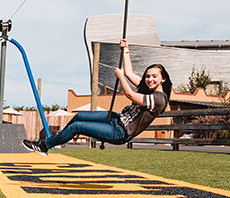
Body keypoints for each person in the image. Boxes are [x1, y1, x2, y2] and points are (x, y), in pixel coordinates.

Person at [23, 39, 171, 155]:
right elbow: (129, 73)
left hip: (121, 132)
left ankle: (44, 145)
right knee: (79, 117)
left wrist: (120, 78)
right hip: (116, 119)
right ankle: (61, 139)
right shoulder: (147, 88)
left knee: (78, 126)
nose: (150, 79)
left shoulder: (159, 99)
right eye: (148, 76)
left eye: (155, 77)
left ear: (163, 79)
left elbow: (130, 95)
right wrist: (126, 49)